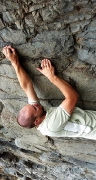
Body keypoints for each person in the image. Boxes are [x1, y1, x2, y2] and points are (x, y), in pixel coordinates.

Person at [2, 46, 96, 140]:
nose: (35, 105)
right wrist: (51, 77)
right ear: (37, 121)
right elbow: (73, 97)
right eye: (35, 107)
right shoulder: (51, 125)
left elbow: (27, 86)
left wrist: (14, 62)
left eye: (31, 105)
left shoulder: (37, 112)